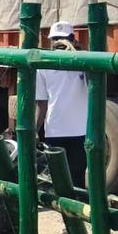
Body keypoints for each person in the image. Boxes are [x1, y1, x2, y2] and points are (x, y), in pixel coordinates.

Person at [36, 20, 89, 188]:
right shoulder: (84, 61)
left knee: (61, 179)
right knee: (76, 179)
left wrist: (34, 130)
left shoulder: (44, 64)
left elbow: (41, 104)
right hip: (76, 131)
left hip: (58, 130)